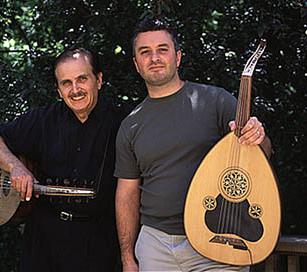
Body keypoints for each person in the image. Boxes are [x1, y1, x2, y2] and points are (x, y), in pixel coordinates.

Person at [114, 17, 272, 272]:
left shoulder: (215, 101)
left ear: (177, 58)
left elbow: (260, 155)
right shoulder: (130, 125)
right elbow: (127, 194)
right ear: (136, 64)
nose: (154, 57)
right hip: (155, 245)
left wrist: (258, 136)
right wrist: (127, 257)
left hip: (218, 239)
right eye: (145, 52)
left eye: (162, 49)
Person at [0, 48, 132, 272]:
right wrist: (15, 168)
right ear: (58, 90)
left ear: (98, 80)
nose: (75, 90)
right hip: (43, 242)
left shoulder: (125, 121)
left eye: (82, 79)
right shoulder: (44, 119)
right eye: (66, 83)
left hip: (98, 243)